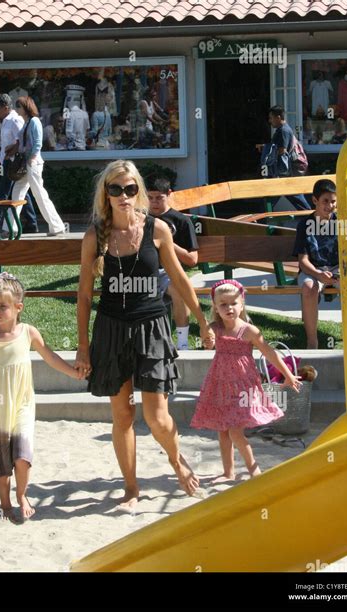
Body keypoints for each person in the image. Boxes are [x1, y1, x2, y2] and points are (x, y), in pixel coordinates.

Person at [74, 160, 215, 509]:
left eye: (130, 189)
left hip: (152, 325)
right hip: (111, 328)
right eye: (116, 189)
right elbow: (84, 293)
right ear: (105, 194)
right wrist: (82, 348)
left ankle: (175, 458)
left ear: (138, 191)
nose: (124, 196)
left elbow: (181, 279)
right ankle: (131, 489)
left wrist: (203, 320)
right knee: (123, 415)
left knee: (157, 418)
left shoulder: (158, 229)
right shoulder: (95, 235)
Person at [0, 272, 83, 523]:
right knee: (1, 464)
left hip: (22, 405)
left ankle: (22, 495)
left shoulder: (28, 333)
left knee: (22, 457)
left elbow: (50, 356)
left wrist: (73, 373)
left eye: (3, 306)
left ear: (19, 307)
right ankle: (5, 504)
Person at [191, 279, 301, 484]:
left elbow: (269, 352)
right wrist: (207, 339)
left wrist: (288, 374)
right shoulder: (215, 328)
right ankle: (228, 472)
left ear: (242, 303)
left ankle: (254, 470)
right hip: (220, 384)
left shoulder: (249, 330)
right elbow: (207, 344)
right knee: (223, 430)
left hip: (243, 386)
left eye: (233, 303)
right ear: (215, 306)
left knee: (235, 430)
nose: (229, 308)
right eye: (223, 304)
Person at [292, 179, 347, 349]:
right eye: (325, 201)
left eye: (333, 201)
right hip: (313, 270)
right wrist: (318, 275)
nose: (330, 206)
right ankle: (312, 340)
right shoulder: (305, 225)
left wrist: (342, 271)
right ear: (315, 201)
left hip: (337, 268)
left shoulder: (341, 223)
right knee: (309, 288)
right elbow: (303, 261)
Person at [146, 175, 199, 350]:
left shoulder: (182, 221)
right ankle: (147, 343)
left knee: (180, 289)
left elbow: (192, 260)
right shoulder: (139, 219)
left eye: (159, 198)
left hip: (170, 273)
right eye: (150, 197)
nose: (154, 202)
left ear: (169, 194)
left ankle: (182, 343)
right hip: (143, 273)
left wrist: (166, 241)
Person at [6, 96, 65, 236]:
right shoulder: (27, 123)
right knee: (17, 193)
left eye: (19, 106)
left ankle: (56, 226)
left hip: (32, 164)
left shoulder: (34, 122)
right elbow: (21, 143)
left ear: (26, 108)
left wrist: (31, 158)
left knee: (39, 194)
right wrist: (11, 149)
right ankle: (10, 228)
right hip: (26, 164)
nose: (16, 109)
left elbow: (38, 143)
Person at [0, 94, 39, 236]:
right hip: (7, 161)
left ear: (6, 107)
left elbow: (21, 142)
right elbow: (6, 145)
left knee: (3, 192)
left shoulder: (15, 120)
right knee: (22, 193)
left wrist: (11, 157)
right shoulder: (5, 121)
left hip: (14, 162)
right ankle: (32, 222)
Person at [266, 106, 311, 211]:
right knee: (284, 194)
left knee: (290, 194)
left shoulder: (283, 131)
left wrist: (269, 151)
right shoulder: (284, 129)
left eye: (271, 118)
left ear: (278, 117)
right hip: (285, 173)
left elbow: (282, 151)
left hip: (284, 172)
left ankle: (310, 216)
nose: (270, 121)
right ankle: (309, 215)